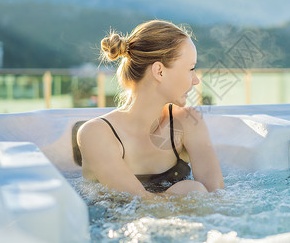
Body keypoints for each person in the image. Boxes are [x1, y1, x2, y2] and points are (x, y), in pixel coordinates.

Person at [77, 20, 224, 198]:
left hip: (177, 220)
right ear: (159, 71)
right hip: (116, 224)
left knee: (193, 190)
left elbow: (218, 197)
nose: (195, 80)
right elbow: (139, 205)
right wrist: (188, 193)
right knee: (191, 190)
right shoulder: (96, 134)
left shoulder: (188, 121)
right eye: (191, 69)